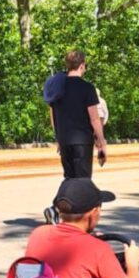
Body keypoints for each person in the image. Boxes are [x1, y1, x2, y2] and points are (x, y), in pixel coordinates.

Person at [44, 50, 107, 181]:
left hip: (65, 141)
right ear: (82, 65)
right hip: (83, 142)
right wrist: (101, 142)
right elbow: (94, 119)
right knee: (83, 181)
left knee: (69, 180)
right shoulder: (87, 88)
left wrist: (59, 138)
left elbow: (53, 116)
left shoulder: (57, 88)